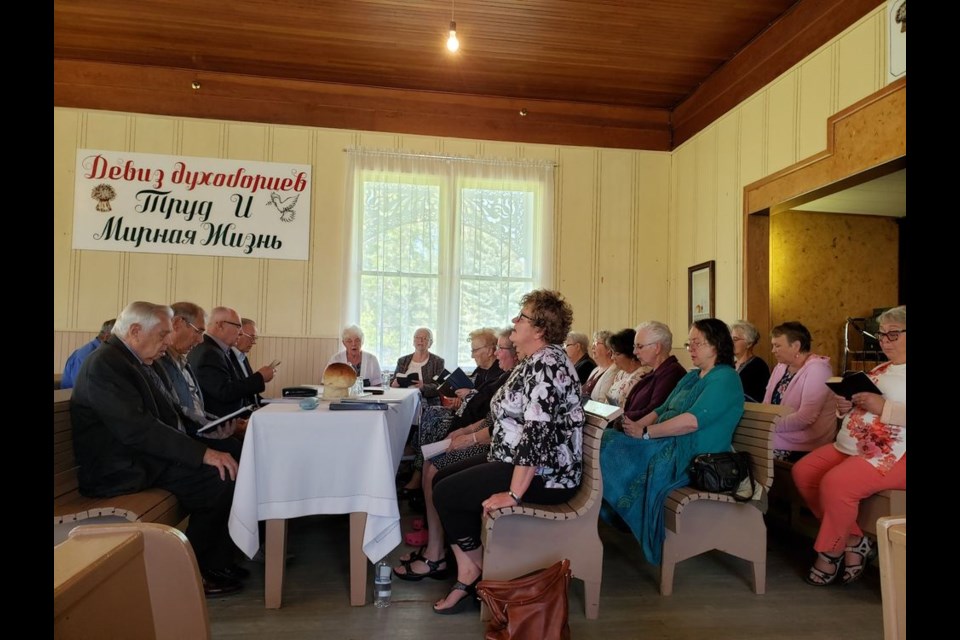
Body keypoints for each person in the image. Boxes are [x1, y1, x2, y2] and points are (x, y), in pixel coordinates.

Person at [70, 301, 245, 596]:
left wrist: (212, 434)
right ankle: (191, 571)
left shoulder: (138, 361)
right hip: (118, 470)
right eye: (163, 334)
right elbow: (138, 429)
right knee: (219, 478)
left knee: (226, 465)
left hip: (142, 459)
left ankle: (214, 562)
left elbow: (172, 413)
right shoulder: (105, 364)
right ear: (136, 330)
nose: (168, 341)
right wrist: (203, 453)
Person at [430, 290, 584, 614]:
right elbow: (506, 420)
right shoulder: (533, 363)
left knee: (446, 491)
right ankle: (475, 565)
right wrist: (471, 438)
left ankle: (471, 571)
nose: (515, 321)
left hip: (546, 475)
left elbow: (536, 436)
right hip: (515, 460)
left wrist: (513, 494)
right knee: (441, 475)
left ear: (539, 329)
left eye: (522, 317)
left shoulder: (549, 366)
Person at [599, 318, 744, 565]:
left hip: (689, 456)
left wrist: (645, 433)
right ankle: (606, 514)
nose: (691, 348)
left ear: (717, 345)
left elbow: (692, 421)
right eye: (690, 343)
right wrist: (634, 427)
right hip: (663, 443)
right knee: (604, 439)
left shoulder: (726, 378)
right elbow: (661, 408)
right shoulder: (693, 377)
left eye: (698, 343)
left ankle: (609, 516)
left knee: (607, 446)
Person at [393, 328, 521, 582]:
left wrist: (468, 436)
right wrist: (464, 428)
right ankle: (436, 545)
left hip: (499, 452)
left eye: (501, 349)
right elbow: (489, 417)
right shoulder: (505, 375)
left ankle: (439, 553)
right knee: (433, 459)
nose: (496, 354)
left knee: (436, 470)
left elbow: (496, 422)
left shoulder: (512, 376)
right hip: (486, 441)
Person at [792, 306, 906, 587]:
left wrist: (884, 408)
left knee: (836, 484)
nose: (885, 341)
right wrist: (845, 404)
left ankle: (830, 551)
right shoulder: (882, 368)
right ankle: (854, 539)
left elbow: (883, 407)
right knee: (804, 472)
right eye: (881, 335)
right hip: (854, 446)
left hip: (894, 454)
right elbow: (862, 406)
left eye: (893, 334)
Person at [398, 327, 504, 496]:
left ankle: (419, 473)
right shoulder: (481, 370)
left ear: (491, 350)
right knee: (430, 414)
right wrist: (460, 400)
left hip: (473, 423)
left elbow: (485, 409)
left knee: (432, 418)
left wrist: (468, 397)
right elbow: (473, 398)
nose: (472, 355)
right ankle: (420, 469)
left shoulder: (499, 374)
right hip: (463, 414)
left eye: (475, 350)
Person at [157, 302, 241, 459]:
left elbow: (196, 409)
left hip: (200, 430)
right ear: (177, 324)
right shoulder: (159, 363)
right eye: (199, 331)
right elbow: (177, 412)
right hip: (184, 439)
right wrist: (212, 427)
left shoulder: (182, 361)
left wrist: (220, 423)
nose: (201, 340)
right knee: (235, 449)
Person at [761, 322, 837, 462]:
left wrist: (768, 426)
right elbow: (766, 403)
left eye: (777, 346)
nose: (773, 350)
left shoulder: (818, 370)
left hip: (806, 440)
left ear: (795, 346)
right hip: (779, 432)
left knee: (753, 452)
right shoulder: (781, 366)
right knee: (745, 443)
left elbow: (805, 418)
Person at [188, 307, 275, 418]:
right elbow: (225, 392)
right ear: (220, 325)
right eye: (238, 326)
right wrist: (260, 377)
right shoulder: (209, 353)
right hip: (222, 424)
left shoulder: (218, 350)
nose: (241, 332)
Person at [621, 321, 687, 423]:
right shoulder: (655, 372)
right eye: (634, 347)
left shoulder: (672, 373)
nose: (634, 352)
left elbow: (653, 412)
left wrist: (620, 418)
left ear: (657, 348)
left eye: (639, 346)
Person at [391, 327, 446, 400]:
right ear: (413, 341)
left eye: (425, 338)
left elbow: (440, 386)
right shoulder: (402, 360)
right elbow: (393, 381)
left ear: (430, 343)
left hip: (426, 401)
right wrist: (393, 384)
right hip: (402, 399)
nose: (420, 340)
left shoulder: (438, 361)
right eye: (417, 337)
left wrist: (423, 387)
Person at [61, 318, 115, 389]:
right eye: (119, 339)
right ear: (107, 337)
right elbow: (82, 390)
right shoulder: (85, 356)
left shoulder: (103, 353)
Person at [604, 328, 650, 406]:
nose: (612, 357)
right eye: (612, 353)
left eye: (617, 354)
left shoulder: (643, 375)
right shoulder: (621, 373)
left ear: (631, 355)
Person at [730, 320, 770, 402]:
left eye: (735, 339)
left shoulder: (758, 366)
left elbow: (755, 398)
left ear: (749, 343)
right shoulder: (730, 365)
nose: (730, 343)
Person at [582, 330, 614, 401]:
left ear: (608, 349)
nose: (593, 346)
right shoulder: (595, 370)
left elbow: (602, 402)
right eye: (593, 342)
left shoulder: (613, 370)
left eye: (596, 343)